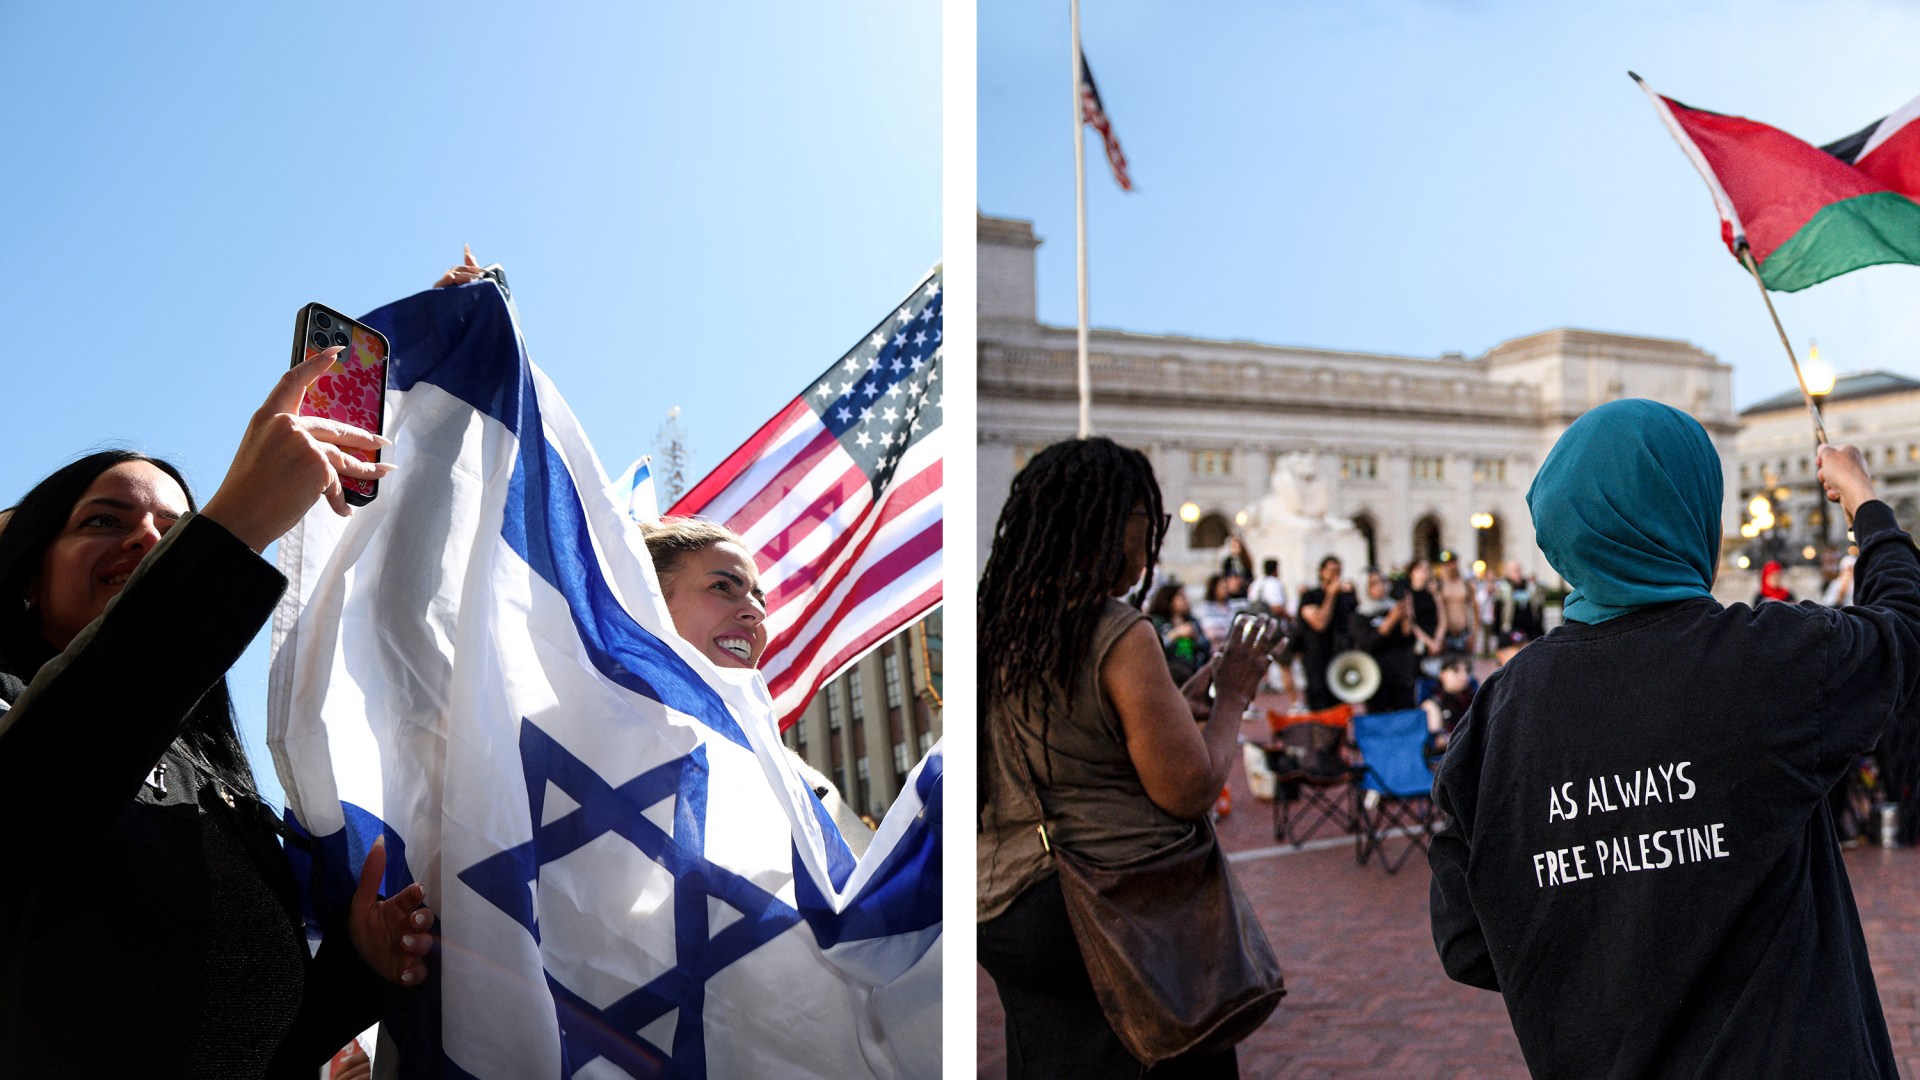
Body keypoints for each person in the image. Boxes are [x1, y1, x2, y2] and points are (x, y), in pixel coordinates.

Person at [1429, 399, 1920, 1078]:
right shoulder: (1766, 661)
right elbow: (1905, 631)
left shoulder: (1495, 716)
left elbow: (1465, 943)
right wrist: (1867, 502)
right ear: (1689, 514)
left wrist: (1612, 954)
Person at [0, 354, 435, 1077]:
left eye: (175, 529)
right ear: (25, 578)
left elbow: (251, 1046)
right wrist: (235, 525)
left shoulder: (223, 790)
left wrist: (359, 967)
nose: (148, 539)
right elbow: (30, 802)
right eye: (105, 520)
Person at [977, 437, 1281, 1079]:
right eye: (1150, 526)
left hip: (1008, 908)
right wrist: (1233, 697)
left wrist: (1177, 707)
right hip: (1119, 909)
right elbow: (1189, 789)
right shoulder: (1115, 629)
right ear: (1116, 528)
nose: (1153, 548)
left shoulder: (993, 628)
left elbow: (1076, 739)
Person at [635, 515, 872, 853]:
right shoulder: (571, 726)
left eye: (759, 598)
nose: (756, 612)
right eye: (722, 587)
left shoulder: (797, 780)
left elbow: (873, 884)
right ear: (649, 601)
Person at [1349, 567, 1417, 711]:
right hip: (1375, 677)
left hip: (1400, 674)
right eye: (1374, 583)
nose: (1380, 587)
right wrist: (1391, 619)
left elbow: (1407, 639)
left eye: (1383, 582)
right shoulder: (1360, 615)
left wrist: (1407, 617)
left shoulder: (1392, 607)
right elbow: (1367, 644)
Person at [1295, 555, 1357, 711]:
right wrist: (1330, 595)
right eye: (1331, 571)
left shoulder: (1345, 598)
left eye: (1338, 571)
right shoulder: (1310, 596)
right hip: (1317, 659)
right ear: (1321, 572)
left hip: (1340, 658)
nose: (1335, 576)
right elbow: (1319, 623)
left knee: (1341, 707)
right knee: (1320, 705)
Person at [1147, 582, 1213, 685]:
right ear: (1169, 599)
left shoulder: (1192, 621)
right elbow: (1153, 648)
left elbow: (1206, 646)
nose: (1186, 600)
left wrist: (1196, 637)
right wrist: (1174, 635)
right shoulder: (1157, 623)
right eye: (1181, 596)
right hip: (1169, 672)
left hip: (1193, 668)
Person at [1420, 654, 1474, 756]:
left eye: (1467, 671)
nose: (1464, 677)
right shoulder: (1432, 705)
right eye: (1456, 671)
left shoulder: (1474, 699)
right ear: (1442, 674)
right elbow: (1436, 742)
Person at [1432, 554, 1477, 657]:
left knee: (1465, 668)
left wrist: (1474, 634)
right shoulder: (1438, 584)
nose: (1450, 566)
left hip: (1464, 634)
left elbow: (1475, 609)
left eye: (1452, 563)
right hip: (1446, 635)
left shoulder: (1465, 583)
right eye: (1447, 564)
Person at [1193, 572, 1239, 651]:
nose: (1225, 589)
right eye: (1221, 587)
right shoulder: (1206, 608)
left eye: (1226, 586)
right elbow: (1211, 633)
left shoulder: (1233, 606)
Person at [1219, 535, 1255, 599]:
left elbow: (1249, 575)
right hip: (1232, 590)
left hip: (1244, 590)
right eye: (1233, 546)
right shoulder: (1228, 561)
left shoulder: (1245, 560)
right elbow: (1224, 575)